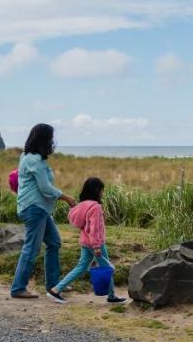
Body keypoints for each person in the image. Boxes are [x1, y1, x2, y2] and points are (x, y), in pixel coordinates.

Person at [10, 123, 75, 299]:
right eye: (50, 138)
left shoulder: (28, 156)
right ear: (44, 139)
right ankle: (18, 288)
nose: (52, 142)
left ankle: (54, 284)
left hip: (39, 209)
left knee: (54, 242)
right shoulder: (34, 161)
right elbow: (45, 188)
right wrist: (66, 197)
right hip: (34, 209)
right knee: (31, 249)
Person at [49, 177, 126, 305]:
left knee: (81, 267)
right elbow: (95, 228)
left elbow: (78, 221)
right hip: (96, 243)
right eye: (102, 190)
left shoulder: (82, 205)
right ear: (96, 190)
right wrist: (96, 246)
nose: (103, 193)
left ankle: (56, 289)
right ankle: (111, 296)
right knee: (107, 268)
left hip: (85, 242)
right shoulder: (95, 207)